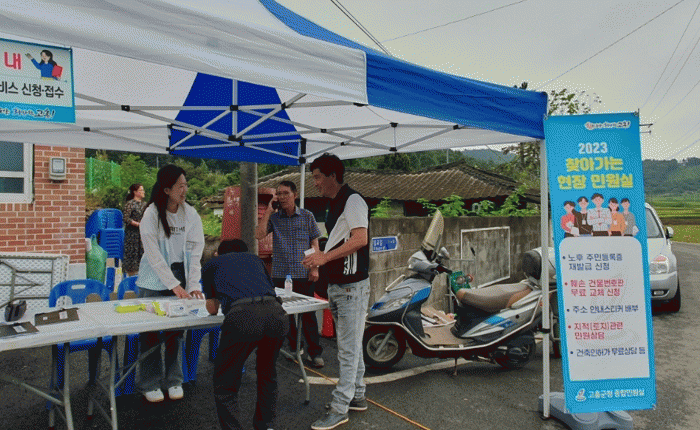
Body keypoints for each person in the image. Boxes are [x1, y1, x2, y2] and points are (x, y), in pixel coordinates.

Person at [302, 153, 370, 430]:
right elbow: (340, 239)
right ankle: (358, 395)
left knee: (347, 351)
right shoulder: (336, 203)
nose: (315, 183)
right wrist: (320, 257)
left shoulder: (352, 200)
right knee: (351, 346)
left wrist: (324, 258)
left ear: (333, 176)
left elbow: (360, 238)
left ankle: (340, 407)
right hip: (341, 285)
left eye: (318, 177)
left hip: (352, 286)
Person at [202, 239, 289, 430]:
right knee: (267, 372)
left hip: (242, 317)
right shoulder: (256, 260)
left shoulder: (212, 264)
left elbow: (212, 309)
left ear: (218, 253)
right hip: (276, 314)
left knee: (225, 382)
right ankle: (266, 426)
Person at [136, 164, 205, 403]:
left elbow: (195, 251)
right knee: (151, 333)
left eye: (186, 185)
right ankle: (149, 383)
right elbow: (153, 255)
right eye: (179, 186)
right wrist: (173, 284)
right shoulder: (151, 214)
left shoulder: (190, 214)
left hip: (179, 276)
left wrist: (193, 284)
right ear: (166, 189)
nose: (184, 190)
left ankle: (174, 380)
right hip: (153, 279)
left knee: (176, 332)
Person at [255, 180, 323, 367]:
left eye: (286, 193)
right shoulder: (275, 218)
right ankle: (294, 347)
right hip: (281, 273)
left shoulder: (307, 216)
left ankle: (315, 352)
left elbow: (314, 243)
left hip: (303, 271)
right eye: (279, 194)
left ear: (295, 195)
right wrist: (268, 212)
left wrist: (315, 267)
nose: (282, 197)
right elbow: (259, 235)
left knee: (308, 314)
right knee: (285, 313)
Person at [122, 183, 147, 277]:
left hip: (142, 234)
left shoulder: (145, 204)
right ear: (135, 192)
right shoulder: (130, 204)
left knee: (143, 255)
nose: (143, 192)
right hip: (132, 235)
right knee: (132, 256)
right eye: (141, 190)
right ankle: (131, 277)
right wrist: (138, 224)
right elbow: (126, 218)